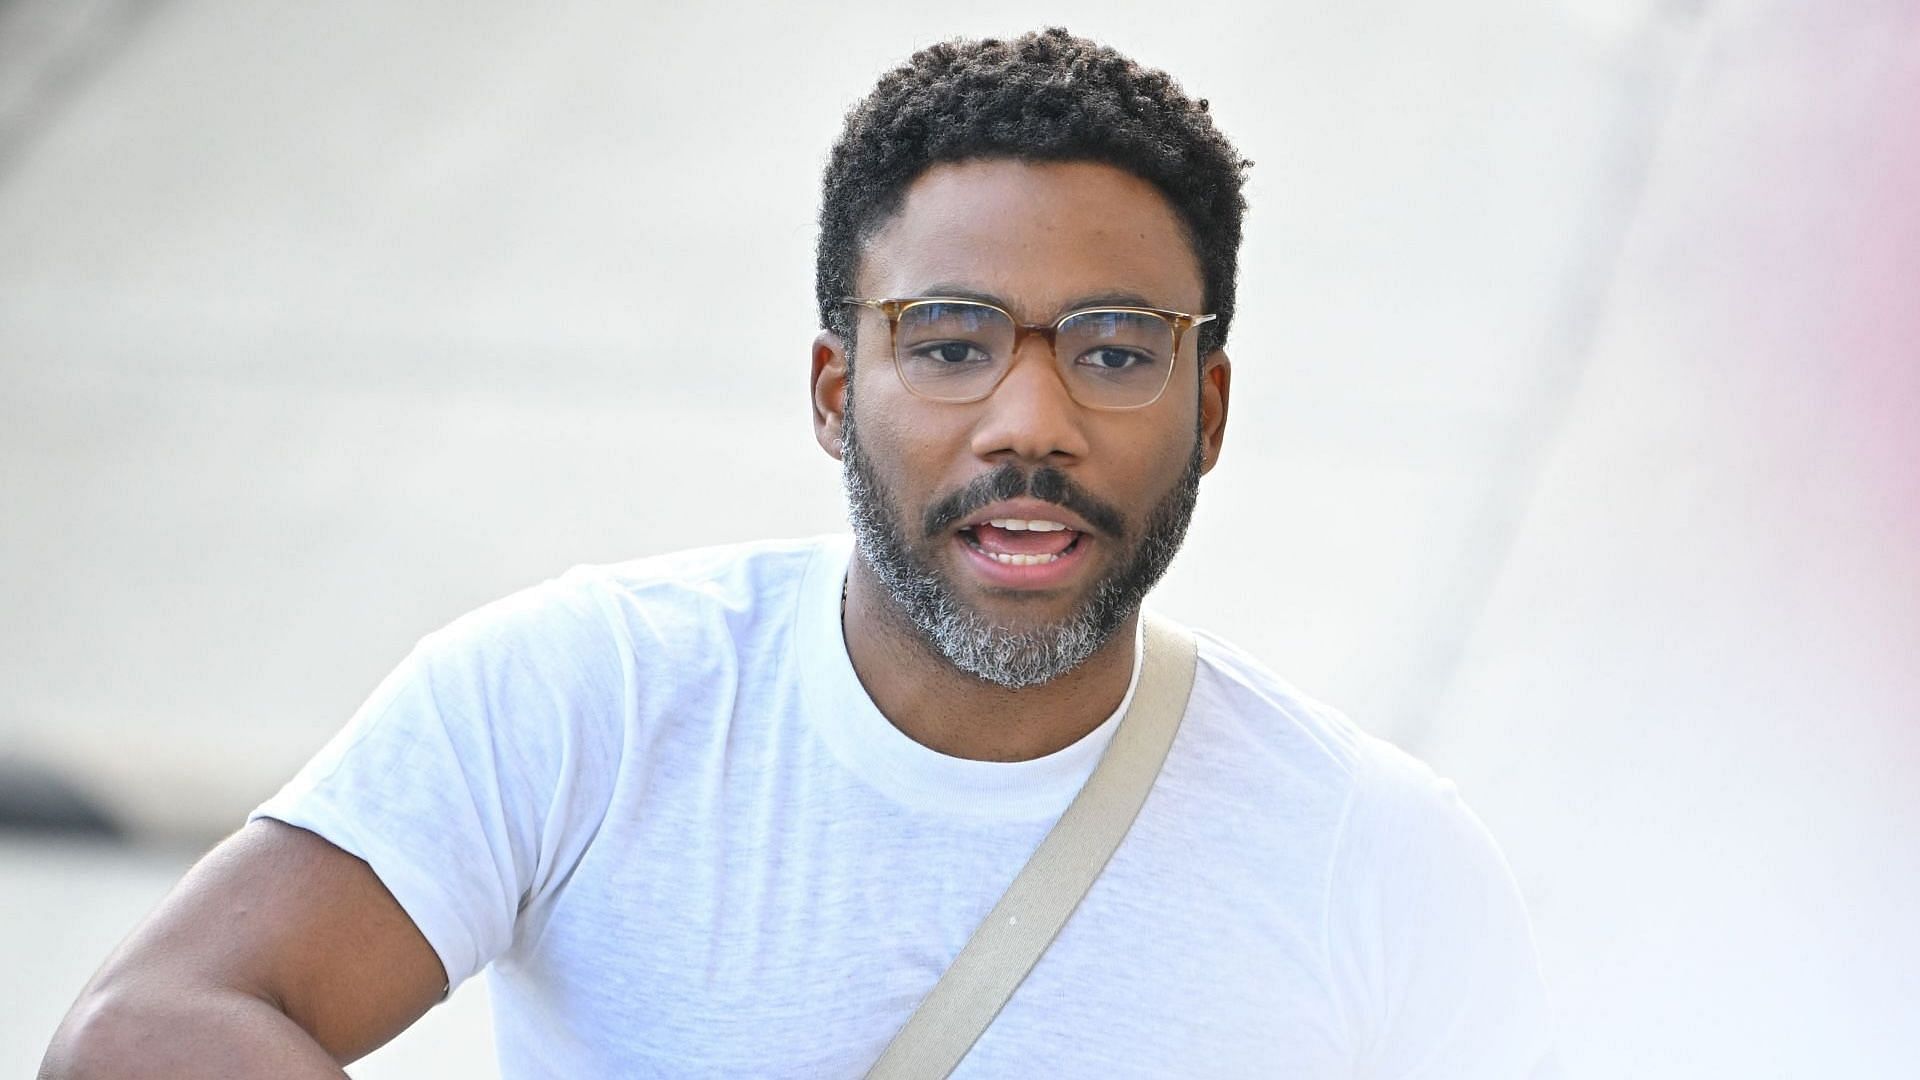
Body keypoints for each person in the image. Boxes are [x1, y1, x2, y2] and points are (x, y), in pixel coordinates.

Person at [42, 28, 1557, 1079]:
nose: (1030, 420)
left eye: (1112, 352)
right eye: (951, 345)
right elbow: (145, 1028)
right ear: (837, 393)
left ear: (1207, 407)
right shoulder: (591, 699)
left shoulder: (1382, 864)